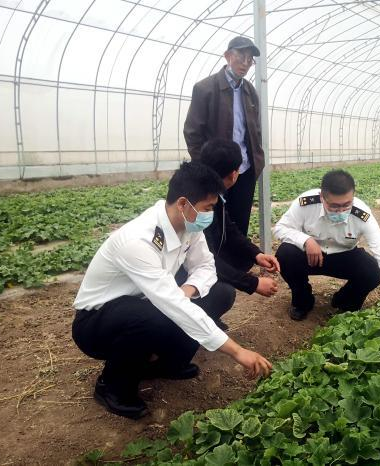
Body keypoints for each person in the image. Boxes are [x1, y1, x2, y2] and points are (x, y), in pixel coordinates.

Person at [72, 162, 271, 420]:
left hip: (147, 303)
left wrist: (187, 290)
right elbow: (171, 304)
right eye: (208, 208)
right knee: (150, 316)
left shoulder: (189, 225)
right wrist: (237, 351)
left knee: (220, 293)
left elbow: (206, 267)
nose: (210, 214)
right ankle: (112, 387)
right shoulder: (138, 241)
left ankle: (164, 364)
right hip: (96, 324)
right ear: (182, 203)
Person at [273, 169, 380, 321]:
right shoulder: (306, 203)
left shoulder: (361, 214)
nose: (341, 210)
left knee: (372, 270)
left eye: (347, 204)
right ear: (322, 197)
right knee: (285, 255)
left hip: (344, 257)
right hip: (310, 256)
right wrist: (306, 240)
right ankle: (303, 301)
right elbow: (280, 228)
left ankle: (344, 302)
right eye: (334, 206)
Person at [183, 36, 263, 237]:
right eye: (241, 57)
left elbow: (255, 131)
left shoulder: (250, 92)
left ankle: (241, 265)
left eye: (250, 59)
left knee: (240, 219)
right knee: (213, 221)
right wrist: (206, 168)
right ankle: (214, 265)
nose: (245, 63)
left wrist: (256, 163)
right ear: (228, 56)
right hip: (217, 171)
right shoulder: (205, 88)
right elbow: (192, 132)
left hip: (244, 170)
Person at [199, 138, 280, 298]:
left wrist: (256, 254)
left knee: (237, 261)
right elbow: (205, 259)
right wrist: (253, 283)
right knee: (223, 294)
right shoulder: (200, 204)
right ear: (234, 174)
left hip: (197, 261)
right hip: (184, 273)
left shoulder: (212, 193)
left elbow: (229, 229)